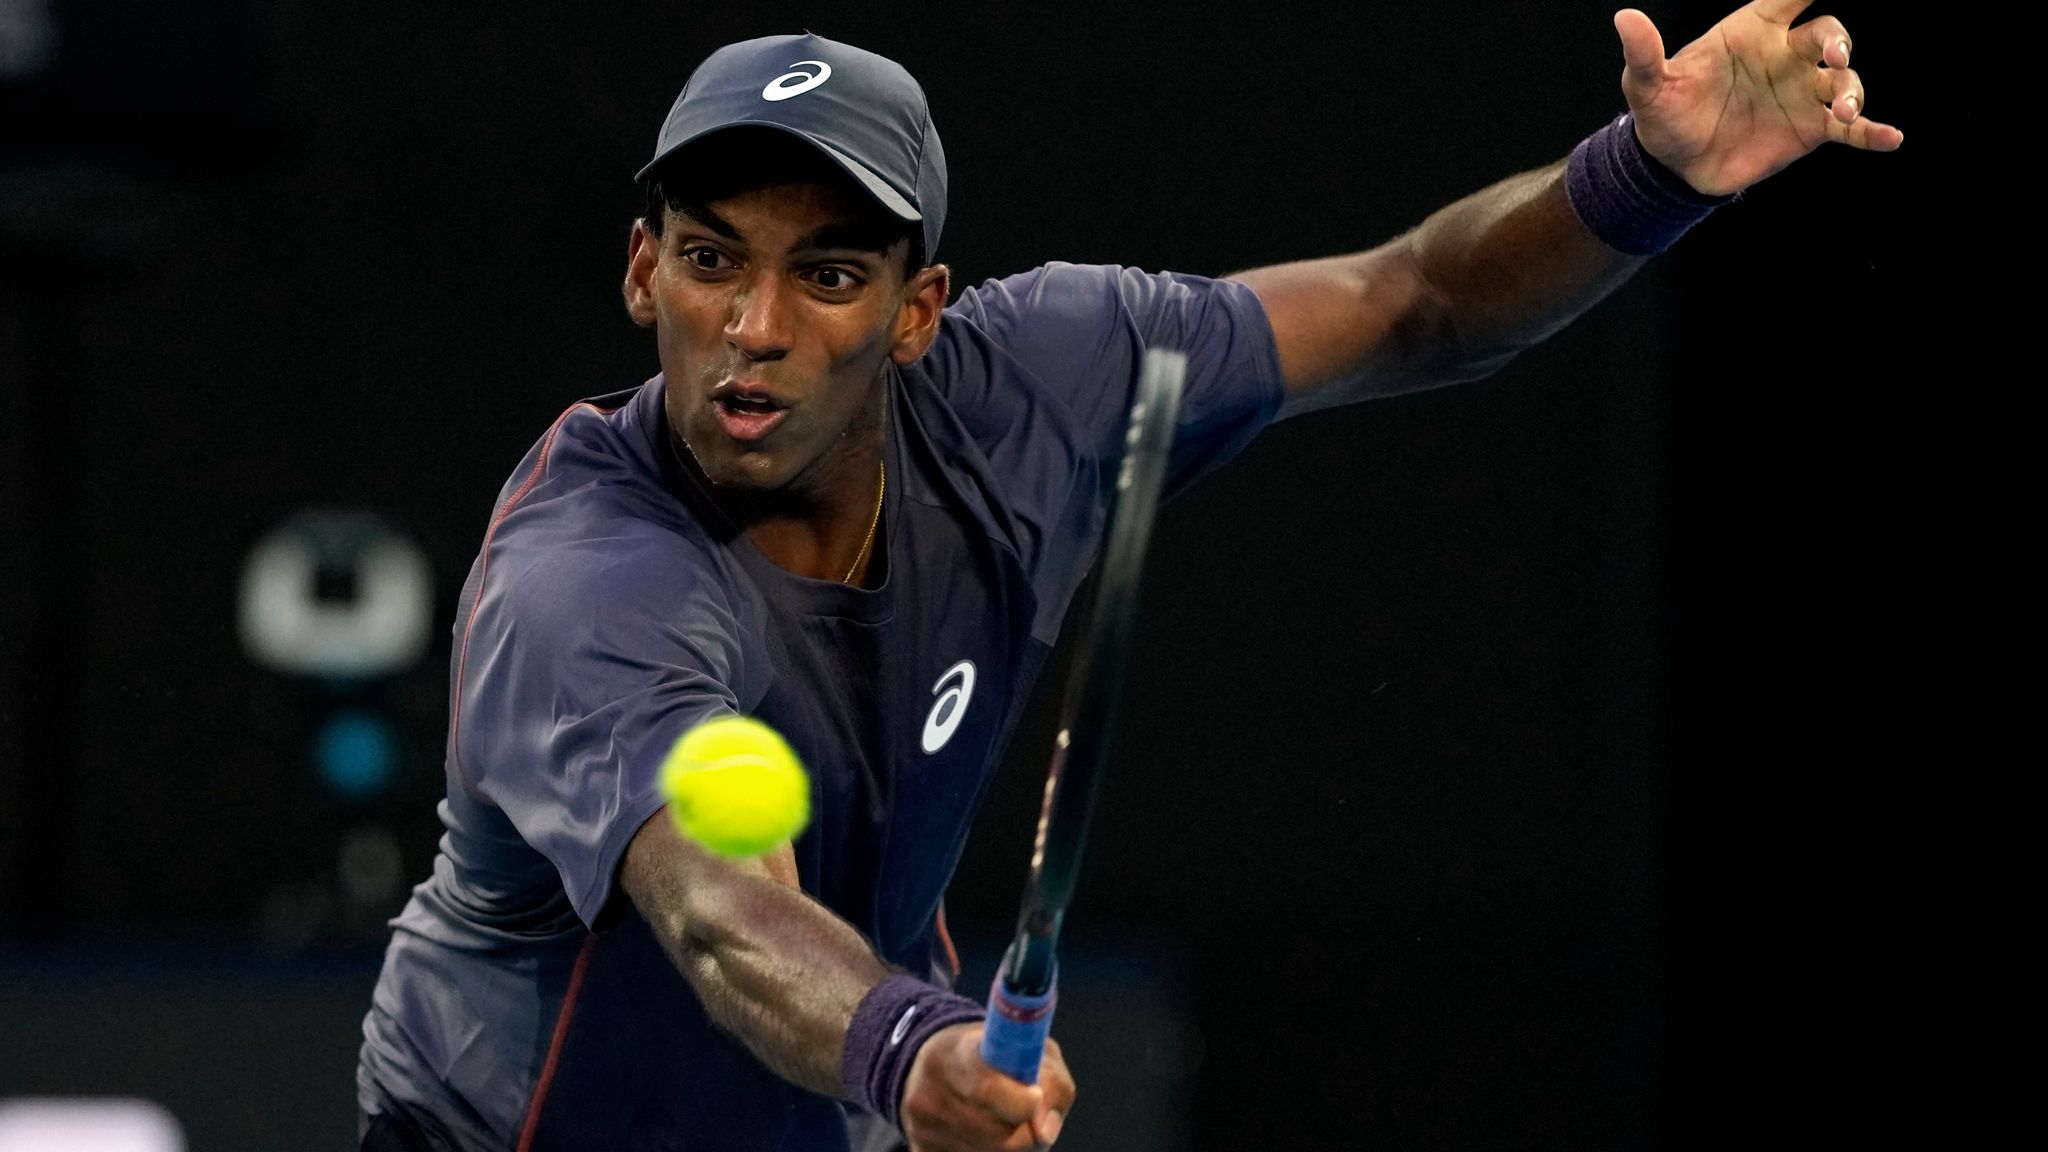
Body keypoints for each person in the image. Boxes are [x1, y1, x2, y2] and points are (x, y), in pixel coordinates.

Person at [355, 4, 1899, 1149]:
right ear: (643, 273)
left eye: (826, 274)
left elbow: (1413, 299)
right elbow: (714, 909)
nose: (754, 324)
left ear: (916, 312)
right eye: (709, 258)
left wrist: (1647, 173)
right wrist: (910, 1047)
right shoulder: (586, 582)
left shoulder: (1044, 379)